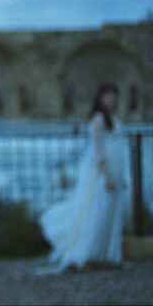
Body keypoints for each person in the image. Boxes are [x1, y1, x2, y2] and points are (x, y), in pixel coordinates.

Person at [38, 82, 130, 274]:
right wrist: (107, 175)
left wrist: (119, 176)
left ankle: (109, 255)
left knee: (111, 214)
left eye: (114, 96)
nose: (112, 99)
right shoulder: (98, 119)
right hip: (101, 175)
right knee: (95, 213)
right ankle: (86, 255)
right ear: (100, 98)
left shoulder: (113, 119)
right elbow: (97, 150)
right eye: (108, 96)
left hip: (114, 171)